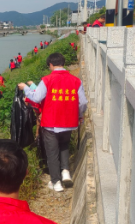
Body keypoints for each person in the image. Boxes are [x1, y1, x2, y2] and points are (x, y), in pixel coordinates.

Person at [18, 53, 88, 192]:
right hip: (69, 122)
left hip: (51, 123)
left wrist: (25, 88)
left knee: (52, 152)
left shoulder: (47, 79)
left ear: (50, 65)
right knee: (64, 146)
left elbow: (37, 97)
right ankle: (66, 172)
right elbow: (83, 102)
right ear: (63, 63)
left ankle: (56, 182)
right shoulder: (75, 80)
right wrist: (79, 116)